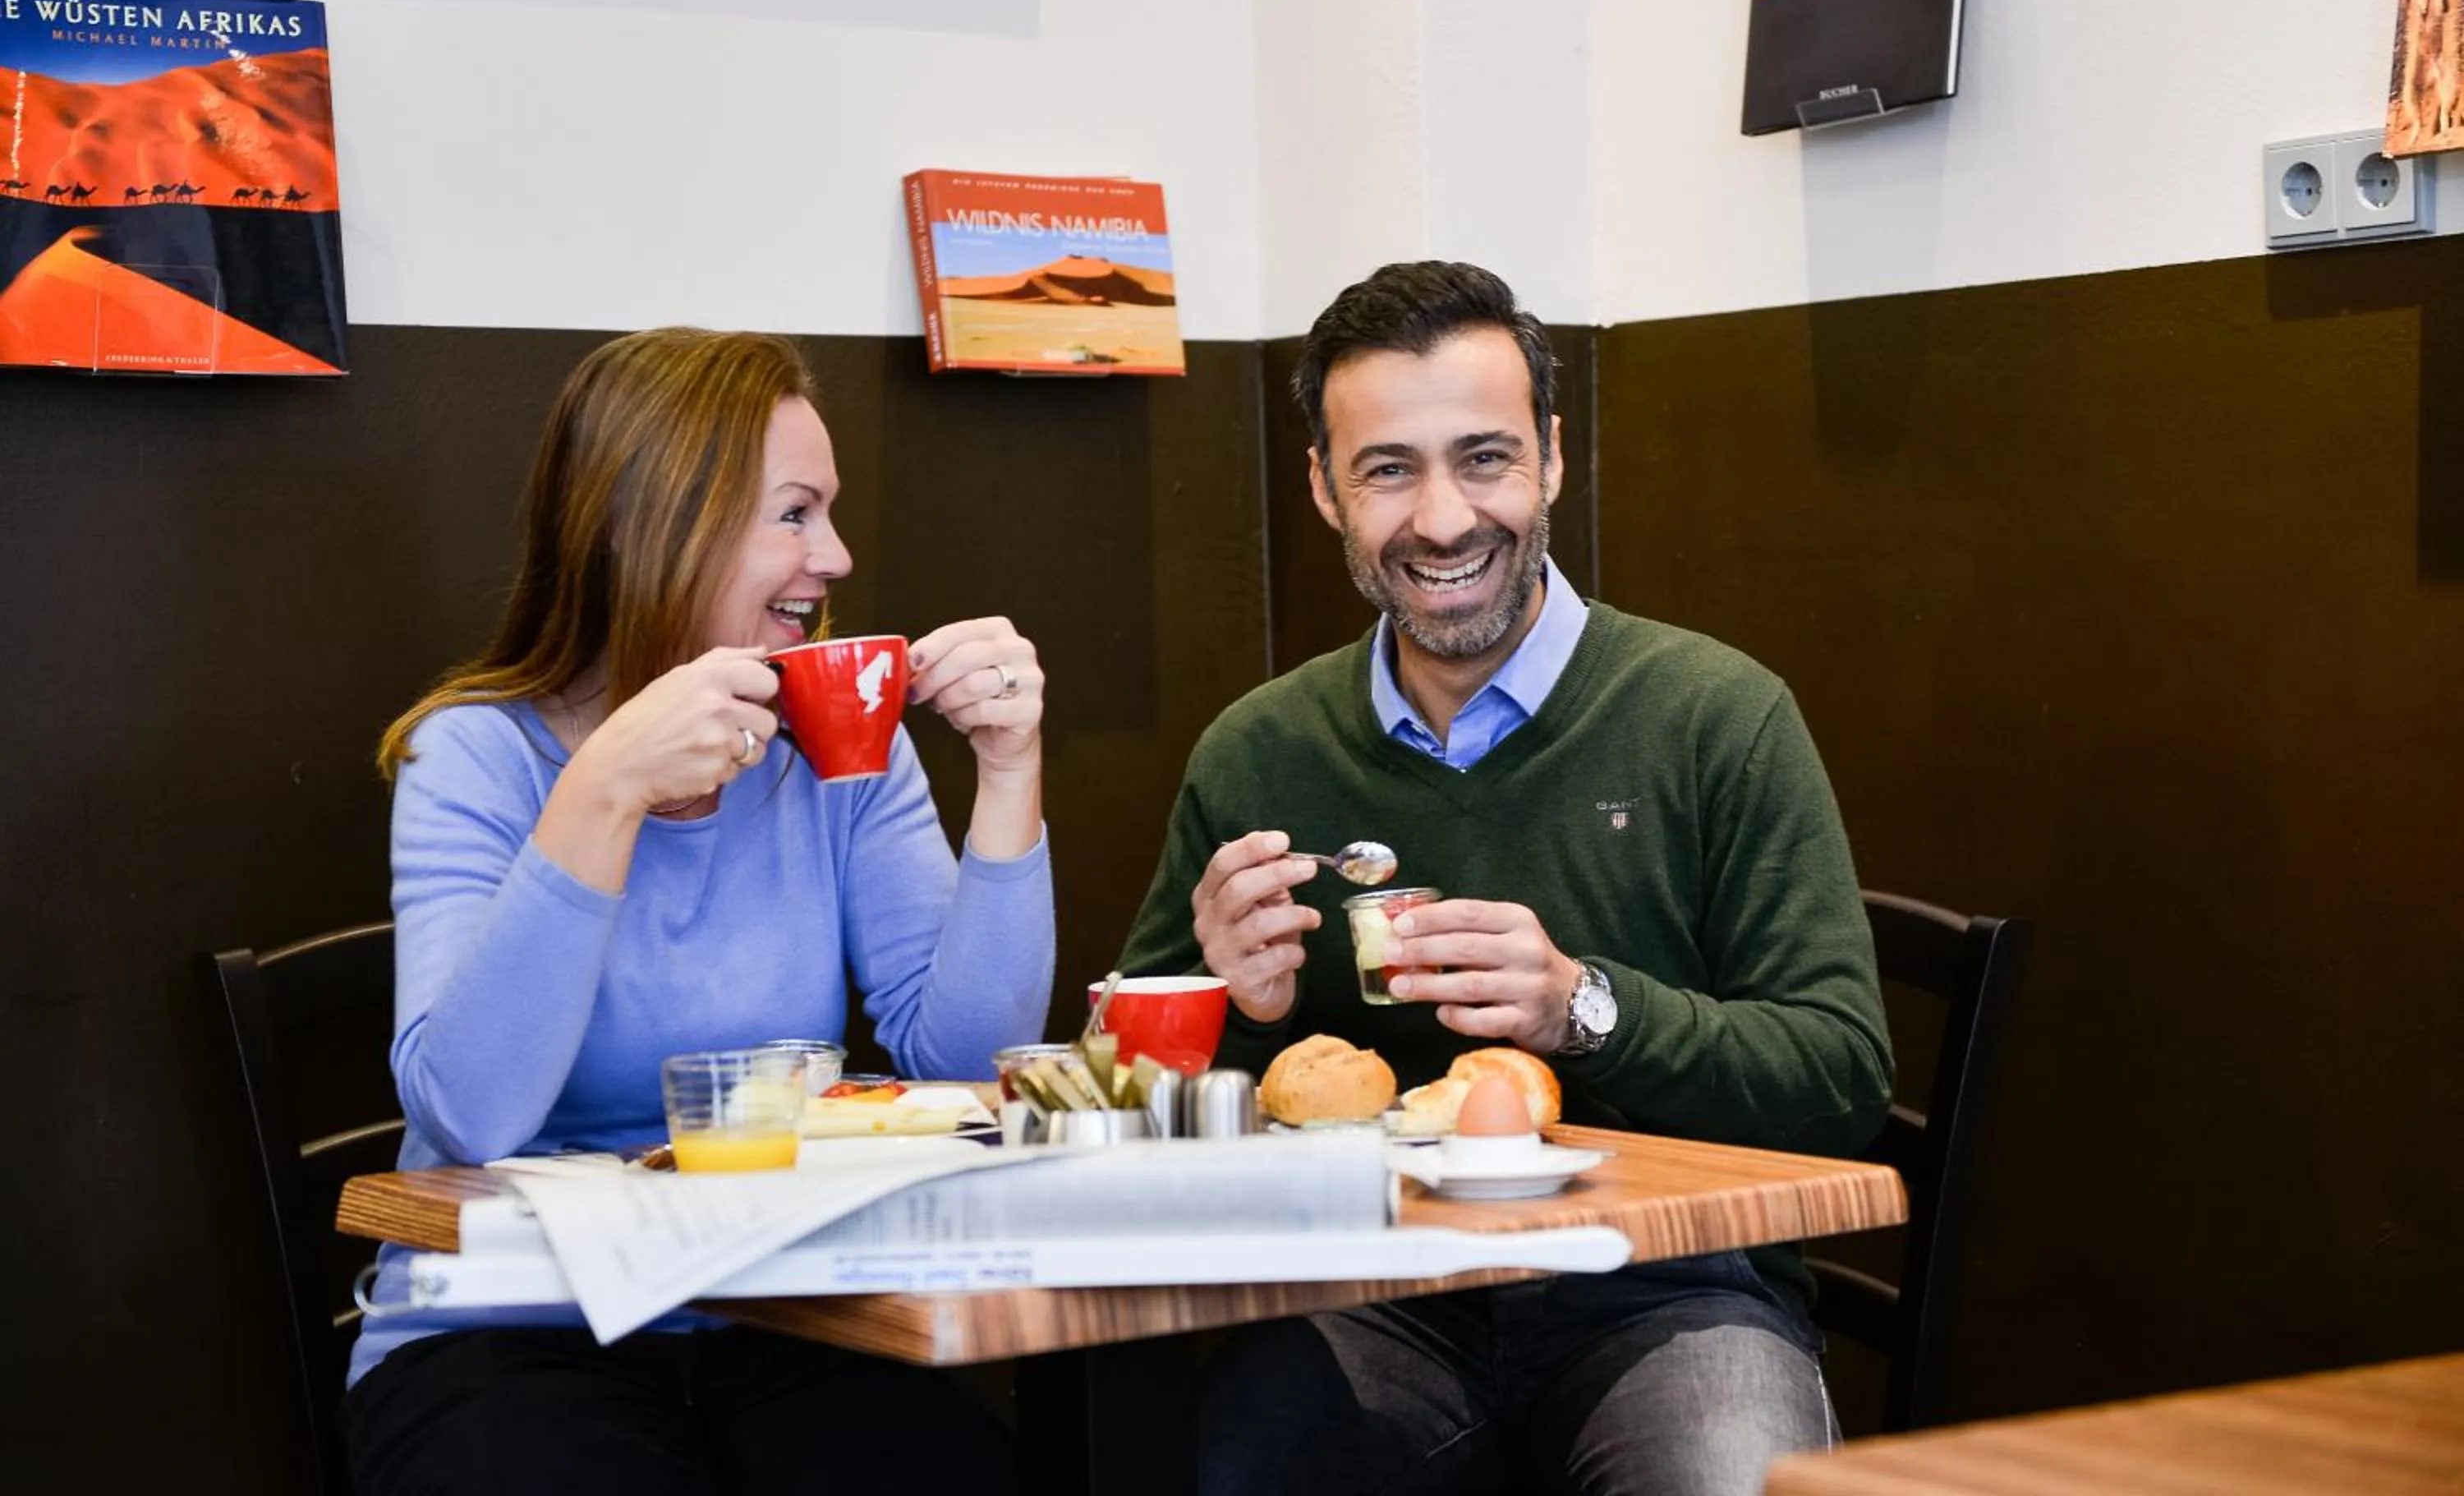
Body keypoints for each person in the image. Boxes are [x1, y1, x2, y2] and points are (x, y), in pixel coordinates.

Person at [1115, 262, 1892, 1496]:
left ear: (1552, 459)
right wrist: (1225, 1018)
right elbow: (1119, 1112)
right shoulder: (1258, 750)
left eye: (1484, 458)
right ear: (1322, 487)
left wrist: (1583, 1006)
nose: (1440, 519)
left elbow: (1839, 1080)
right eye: (1388, 469)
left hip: (1666, 1290)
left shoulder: (1715, 716)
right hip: (1367, 1294)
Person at [342, 328, 1053, 1494]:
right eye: (793, 514)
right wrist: (607, 788)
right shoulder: (474, 756)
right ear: (644, 522)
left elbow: (965, 1057)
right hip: (506, 1330)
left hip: (785, 1314)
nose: (836, 552)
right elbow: (470, 1113)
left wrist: (1010, 770)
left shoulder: (833, 747)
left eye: (828, 512)